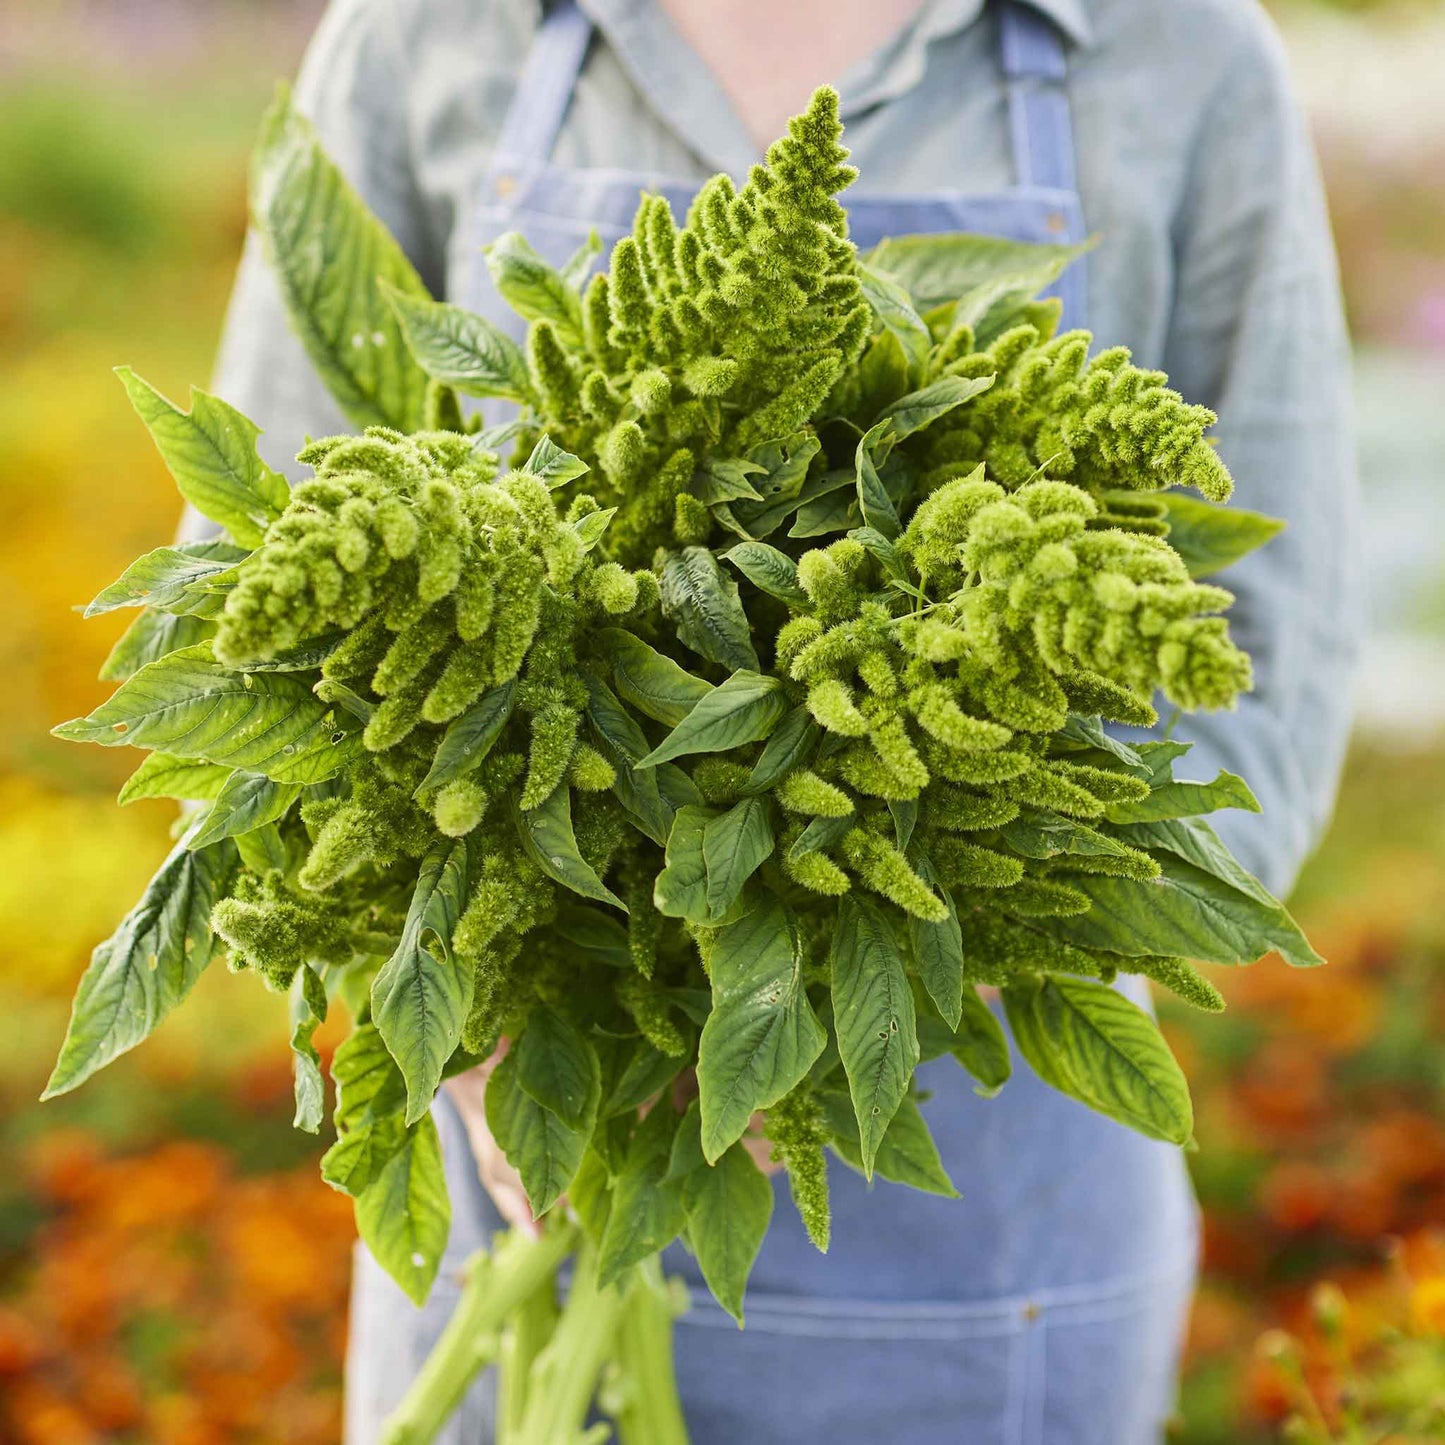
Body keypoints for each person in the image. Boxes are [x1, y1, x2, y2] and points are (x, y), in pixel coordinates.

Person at [206, 0, 1359, 1440]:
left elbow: (1272, 655)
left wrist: (924, 963)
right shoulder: (430, 29)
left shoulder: (1173, 48)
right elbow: (252, 586)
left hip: (980, 1248)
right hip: (520, 1172)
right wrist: (465, 995)